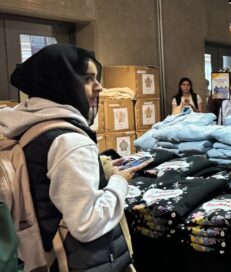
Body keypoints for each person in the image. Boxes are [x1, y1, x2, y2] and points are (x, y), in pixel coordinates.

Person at [0, 44, 148, 271]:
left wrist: (101, 166)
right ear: (62, 82)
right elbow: (87, 223)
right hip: (81, 261)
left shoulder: (26, 125)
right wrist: (119, 182)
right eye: (88, 79)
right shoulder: (70, 140)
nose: (99, 87)